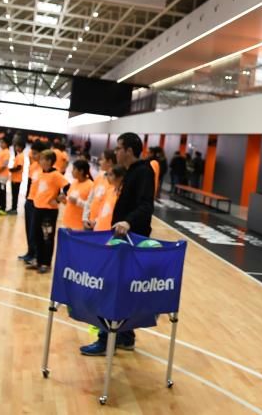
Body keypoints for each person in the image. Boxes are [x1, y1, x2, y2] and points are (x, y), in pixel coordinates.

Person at [80, 132, 154, 356]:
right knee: (123, 290)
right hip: (122, 239)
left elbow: (146, 206)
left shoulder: (144, 172)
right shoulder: (132, 172)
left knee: (111, 289)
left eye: (119, 148)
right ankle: (125, 336)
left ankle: (105, 339)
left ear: (129, 150)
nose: (116, 151)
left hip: (131, 241)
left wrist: (128, 222)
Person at [25, 149, 68, 275]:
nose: (40, 161)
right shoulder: (41, 173)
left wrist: (57, 199)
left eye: (43, 159)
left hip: (49, 212)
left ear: (49, 161)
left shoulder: (56, 175)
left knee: (47, 237)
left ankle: (46, 263)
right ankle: (38, 260)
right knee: (36, 235)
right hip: (38, 208)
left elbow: (67, 187)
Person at [18, 140, 46, 263]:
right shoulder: (34, 166)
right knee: (29, 229)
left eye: (35, 154)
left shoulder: (45, 169)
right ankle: (30, 252)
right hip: (29, 200)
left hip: (38, 203)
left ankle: (36, 254)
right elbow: (30, 183)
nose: (32, 156)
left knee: (36, 230)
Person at [82, 149, 116, 231]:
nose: (99, 161)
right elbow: (90, 198)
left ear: (109, 161)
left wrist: (96, 221)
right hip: (89, 222)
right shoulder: (99, 176)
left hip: (101, 226)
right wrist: (85, 217)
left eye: (102, 159)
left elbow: (109, 206)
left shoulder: (115, 182)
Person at [61, 159, 94, 230]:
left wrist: (78, 202)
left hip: (78, 225)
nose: (72, 171)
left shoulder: (91, 185)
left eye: (74, 169)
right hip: (67, 222)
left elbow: (91, 207)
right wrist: (64, 200)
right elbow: (69, 201)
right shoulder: (74, 182)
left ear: (81, 171)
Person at [7, 140, 25, 215]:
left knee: (15, 195)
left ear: (20, 147)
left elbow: (19, 167)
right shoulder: (18, 155)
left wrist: (10, 170)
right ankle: (13, 208)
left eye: (17, 146)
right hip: (15, 178)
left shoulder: (20, 156)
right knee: (14, 194)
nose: (16, 148)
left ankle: (14, 209)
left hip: (17, 179)